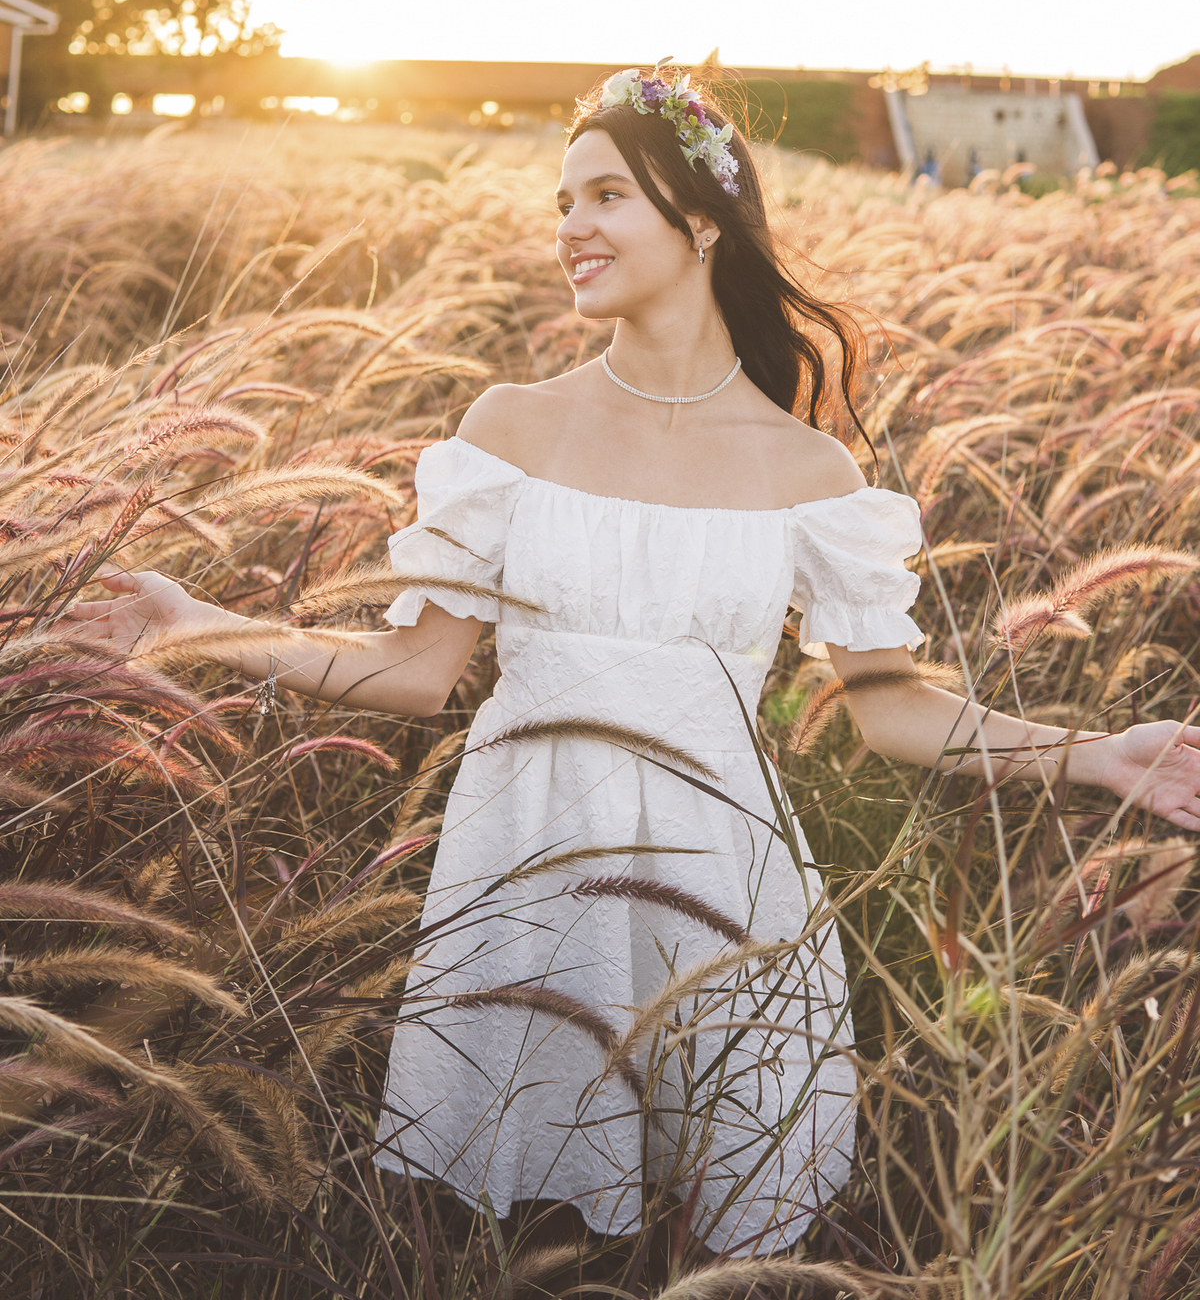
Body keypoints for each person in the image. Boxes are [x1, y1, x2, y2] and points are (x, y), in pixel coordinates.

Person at [71, 64, 1200, 1258]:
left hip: (721, 881)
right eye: (562, 201)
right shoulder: (511, 428)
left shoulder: (807, 472)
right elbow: (413, 671)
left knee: (705, 1229)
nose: (570, 228)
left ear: (700, 220)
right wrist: (201, 629)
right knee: (510, 1227)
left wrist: (1093, 754)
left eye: (604, 196)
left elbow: (891, 709)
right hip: (526, 866)